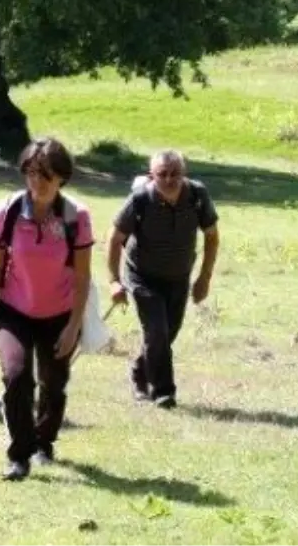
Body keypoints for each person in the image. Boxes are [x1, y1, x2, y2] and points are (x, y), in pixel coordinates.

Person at [0, 137, 94, 481]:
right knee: (15, 377)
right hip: (14, 311)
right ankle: (19, 455)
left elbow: (83, 276)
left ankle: (44, 443)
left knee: (53, 384)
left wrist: (73, 326)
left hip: (59, 314)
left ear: (61, 178)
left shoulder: (76, 216)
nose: (37, 183)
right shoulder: (9, 210)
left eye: (46, 175)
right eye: (31, 174)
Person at [107, 149, 220, 409]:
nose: (169, 180)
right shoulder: (139, 199)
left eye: (175, 174)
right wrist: (114, 280)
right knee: (157, 331)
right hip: (142, 276)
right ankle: (163, 392)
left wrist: (204, 278)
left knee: (167, 334)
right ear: (152, 176)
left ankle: (139, 369)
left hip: (179, 277)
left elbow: (212, 237)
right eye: (162, 174)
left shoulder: (197, 196)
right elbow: (114, 239)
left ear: (184, 174)